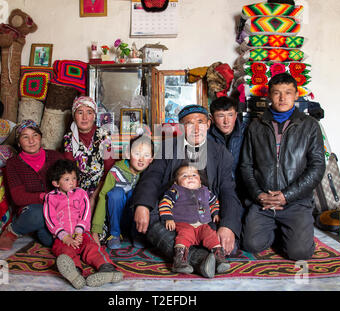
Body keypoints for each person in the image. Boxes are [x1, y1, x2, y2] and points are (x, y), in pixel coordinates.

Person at [131, 104, 243, 278]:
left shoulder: (220, 152)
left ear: (208, 124)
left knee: (231, 244)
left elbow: (228, 190)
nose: (196, 128)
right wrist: (142, 205)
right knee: (149, 213)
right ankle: (199, 258)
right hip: (173, 215)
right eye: (190, 123)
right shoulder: (169, 146)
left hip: (205, 214)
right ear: (182, 128)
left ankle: (193, 255)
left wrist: (228, 226)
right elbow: (152, 177)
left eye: (200, 122)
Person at [240, 73, 326, 260]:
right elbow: (246, 166)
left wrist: (287, 196)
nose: (282, 98)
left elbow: (317, 166)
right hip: (263, 199)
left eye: (288, 93)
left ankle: (291, 232)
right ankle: (280, 230)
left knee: (299, 253)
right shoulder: (256, 126)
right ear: (269, 95)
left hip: (296, 201)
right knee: (250, 244)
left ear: (296, 95)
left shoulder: (310, 125)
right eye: (277, 93)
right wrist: (259, 195)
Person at [44, 159, 123, 289]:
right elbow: (50, 218)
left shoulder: (81, 193)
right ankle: (75, 273)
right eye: (67, 179)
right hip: (63, 237)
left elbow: (85, 213)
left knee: (92, 247)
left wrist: (79, 232)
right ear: (56, 183)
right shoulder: (50, 197)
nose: (72, 182)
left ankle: (107, 269)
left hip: (81, 234)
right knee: (64, 251)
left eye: (74, 178)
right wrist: (64, 237)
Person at [0, 120, 64, 251]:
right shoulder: (13, 164)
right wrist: (45, 197)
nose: (31, 141)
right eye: (25, 137)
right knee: (38, 213)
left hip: (57, 209)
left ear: (41, 137)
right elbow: (18, 198)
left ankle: (35, 228)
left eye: (35, 135)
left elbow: (69, 181)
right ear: (18, 142)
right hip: (32, 210)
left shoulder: (55, 157)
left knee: (52, 240)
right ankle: (12, 231)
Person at [159, 163, 230, 275]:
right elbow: (165, 203)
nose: (190, 177)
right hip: (184, 223)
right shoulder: (175, 191)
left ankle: (219, 258)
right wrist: (168, 218)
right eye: (184, 176)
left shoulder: (206, 191)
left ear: (200, 181)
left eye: (194, 175)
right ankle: (179, 261)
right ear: (176, 182)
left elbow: (214, 203)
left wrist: (215, 213)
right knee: (184, 236)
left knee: (211, 235)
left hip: (203, 225)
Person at [91, 135, 154, 249]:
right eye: (137, 154)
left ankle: (137, 234)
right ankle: (114, 234)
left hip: (133, 219)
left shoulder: (149, 174)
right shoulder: (115, 171)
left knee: (138, 194)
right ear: (128, 154)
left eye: (146, 155)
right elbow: (102, 197)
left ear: (151, 159)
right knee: (116, 193)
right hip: (116, 217)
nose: (141, 159)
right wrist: (95, 230)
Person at [63, 96, 115, 214]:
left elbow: (109, 169)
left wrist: (94, 196)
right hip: (76, 189)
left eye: (89, 112)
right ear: (74, 116)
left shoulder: (104, 135)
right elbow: (69, 171)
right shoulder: (68, 138)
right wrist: (79, 196)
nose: (85, 117)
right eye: (80, 112)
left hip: (101, 187)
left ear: (94, 116)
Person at [207, 96, 246, 183]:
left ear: (236, 115)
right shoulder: (206, 137)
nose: (226, 121)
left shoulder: (247, 132)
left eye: (230, 115)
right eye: (221, 116)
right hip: (216, 189)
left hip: (243, 188)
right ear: (211, 118)